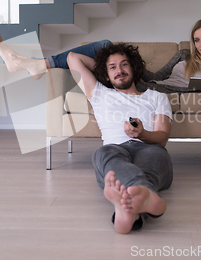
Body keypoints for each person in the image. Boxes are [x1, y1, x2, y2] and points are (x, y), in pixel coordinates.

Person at [66, 42, 173, 233]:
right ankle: (142, 199)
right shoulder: (98, 92)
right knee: (103, 153)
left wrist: (143, 134)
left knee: (157, 155)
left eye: (124, 64)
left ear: (133, 67)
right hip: (115, 148)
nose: (120, 70)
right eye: (113, 67)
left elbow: (162, 138)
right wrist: (102, 69)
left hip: (149, 148)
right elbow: (73, 58)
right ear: (105, 74)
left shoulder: (157, 97)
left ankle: (126, 209)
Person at [0, 18, 201, 93]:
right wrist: (134, 69)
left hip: (155, 93)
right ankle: (37, 65)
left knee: (101, 50)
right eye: (197, 39)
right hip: (146, 83)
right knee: (105, 45)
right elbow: (159, 76)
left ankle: (35, 65)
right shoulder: (183, 55)